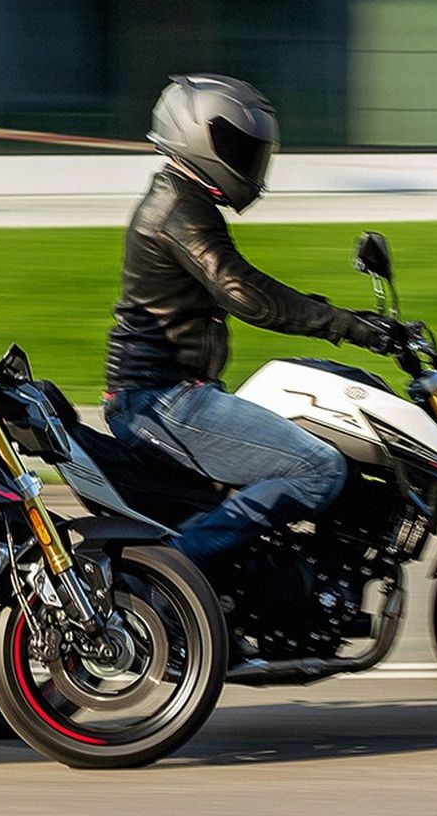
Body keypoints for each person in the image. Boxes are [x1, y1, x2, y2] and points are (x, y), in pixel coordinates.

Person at [104, 73, 401, 575]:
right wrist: (347, 325)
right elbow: (242, 291)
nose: (251, 162)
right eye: (241, 148)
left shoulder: (186, 200)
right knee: (318, 466)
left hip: (176, 394)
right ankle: (175, 572)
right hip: (159, 400)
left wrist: (340, 316)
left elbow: (245, 287)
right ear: (200, 137)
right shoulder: (177, 209)